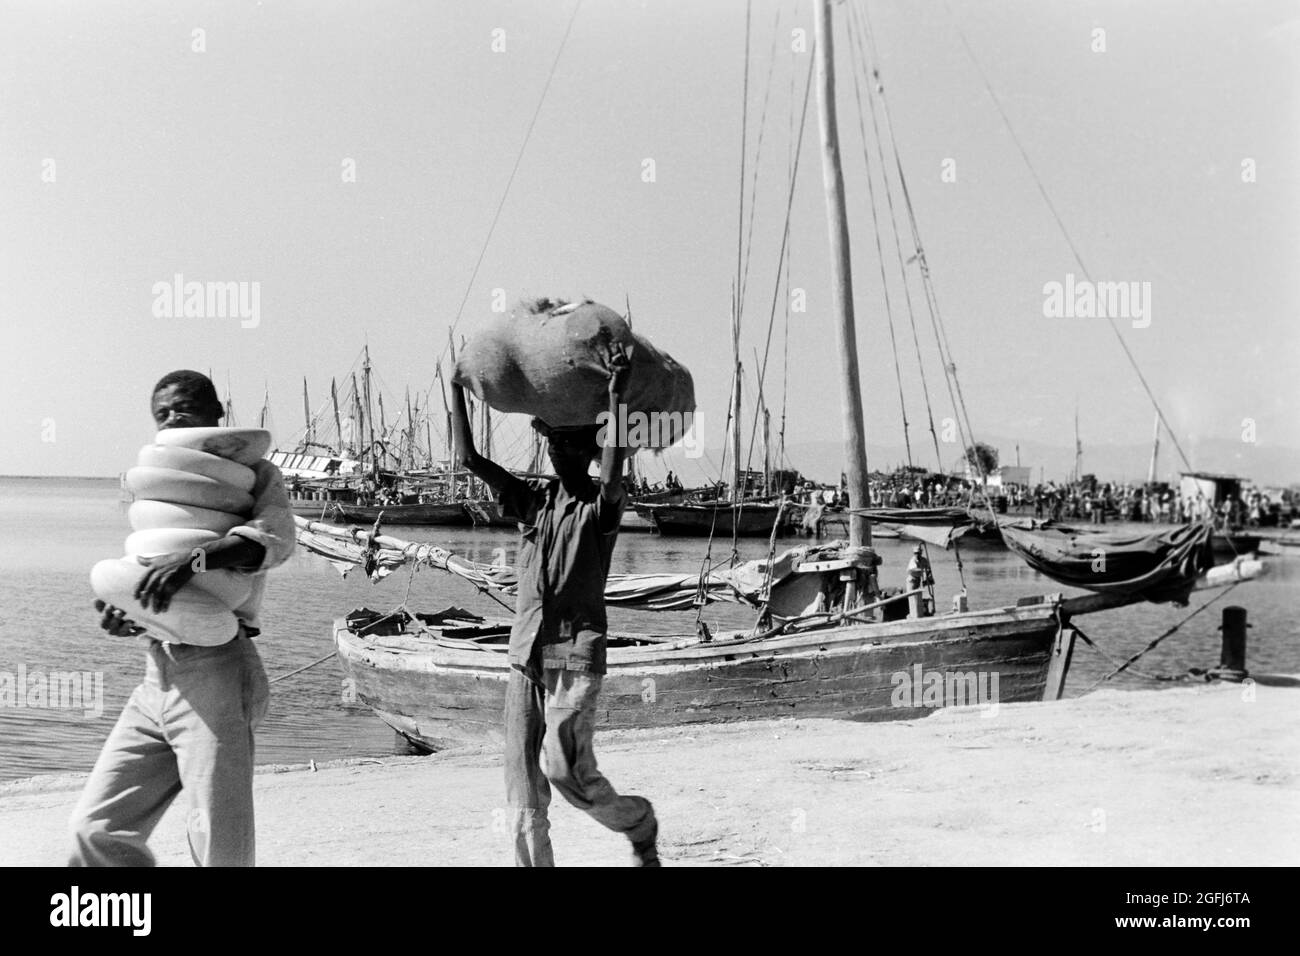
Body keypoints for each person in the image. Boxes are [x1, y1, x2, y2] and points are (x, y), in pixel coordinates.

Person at [69, 370, 295, 866]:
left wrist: (191, 561)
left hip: (219, 666)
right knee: (95, 828)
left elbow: (275, 541)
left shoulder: (257, 474)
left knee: (219, 837)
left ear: (217, 414)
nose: (172, 418)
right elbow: (149, 556)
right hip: (156, 673)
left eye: (183, 408)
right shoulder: (164, 486)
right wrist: (126, 610)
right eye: (162, 413)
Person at [451, 353, 659, 868]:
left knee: (569, 774)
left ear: (588, 448)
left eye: (564, 440)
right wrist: (455, 388)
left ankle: (638, 822)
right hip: (525, 653)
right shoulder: (533, 502)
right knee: (522, 795)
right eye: (550, 439)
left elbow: (612, 474)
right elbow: (470, 460)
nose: (552, 448)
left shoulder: (601, 508)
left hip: (574, 655)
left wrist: (615, 394)